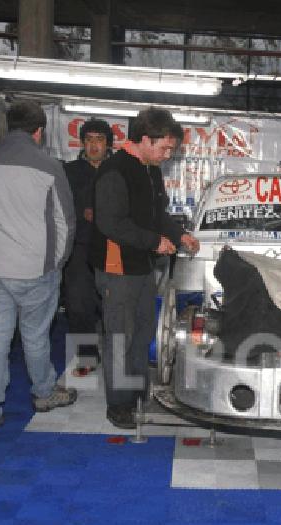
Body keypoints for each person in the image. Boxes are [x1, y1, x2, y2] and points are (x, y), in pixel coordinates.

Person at [0, 100, 78, 434]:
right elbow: (65, 222)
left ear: (9, 126)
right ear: (39, 132)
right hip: (35, 268)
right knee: (36, 336)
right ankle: (43, 393)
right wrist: (56, 262)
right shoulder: (49, 167)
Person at [90, 107, 199, 429]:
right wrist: (153, 242)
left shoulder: (150, 170)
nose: (167, 155)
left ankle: (137, 391)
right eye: (164, 148)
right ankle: (119, 404)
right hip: (116, 268)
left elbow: (158, 214)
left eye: (171, 150)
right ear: (144, 140)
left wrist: (179, 235)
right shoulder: (114, 171)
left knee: (142, 332)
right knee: (120, 338)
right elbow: (110, 223)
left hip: (141, 267)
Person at [62, 118, 113, 369]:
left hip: (113, 248)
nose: (94, 146)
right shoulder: (69, 172)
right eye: (89, 140)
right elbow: (58, 209)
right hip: (79, 248)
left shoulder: (118, 170)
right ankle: (86, 356)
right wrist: (81, 211)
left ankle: (117, 357)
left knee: (113, 306)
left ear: (108, 144)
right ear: (82, 143)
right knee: (78, 304)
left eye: (100, 140)